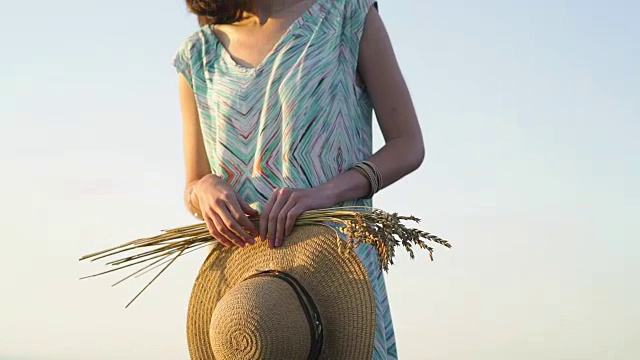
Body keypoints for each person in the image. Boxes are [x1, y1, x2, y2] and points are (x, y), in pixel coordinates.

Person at [173, 0, 424, 358]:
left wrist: (324, 193)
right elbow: (194, 183)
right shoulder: (197, 56)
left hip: (337, 277)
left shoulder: (347, 17)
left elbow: (408, 144)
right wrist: (204, 189)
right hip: (252, 298)